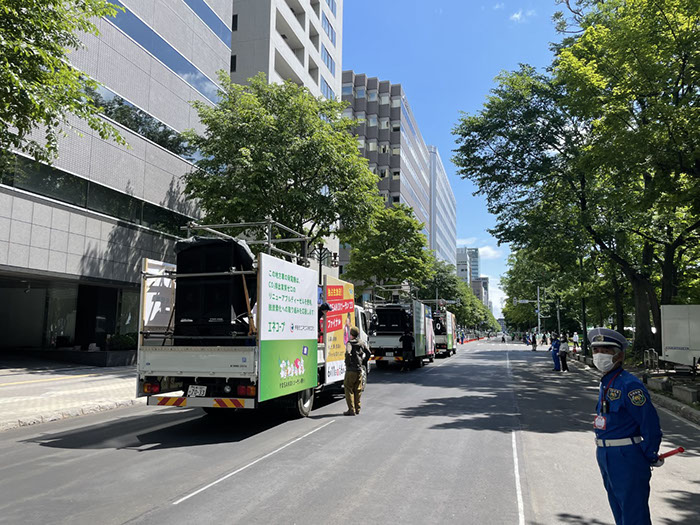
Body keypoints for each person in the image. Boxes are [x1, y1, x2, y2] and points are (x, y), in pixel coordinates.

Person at [589, 327, 663, 525]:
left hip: (626, 455)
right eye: (596, 350)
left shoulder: (630, 385)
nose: (599, 355)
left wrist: (649, 454)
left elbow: (650, 424)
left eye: (606, 351)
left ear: (619, 355)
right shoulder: (607, 382)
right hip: (605, 454)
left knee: (633, 513)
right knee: (618, 509)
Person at [344, 326, 370, 416]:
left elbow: (348, 353)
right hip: (359, 369)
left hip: (351, 370)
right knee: (358, 390)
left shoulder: (349, 343)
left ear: (351, 334)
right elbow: (368, 353)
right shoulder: (361, 343)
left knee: (348, 389)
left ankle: (351, 409)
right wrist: (363, 361)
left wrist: (347, 363)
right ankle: (357, 408)